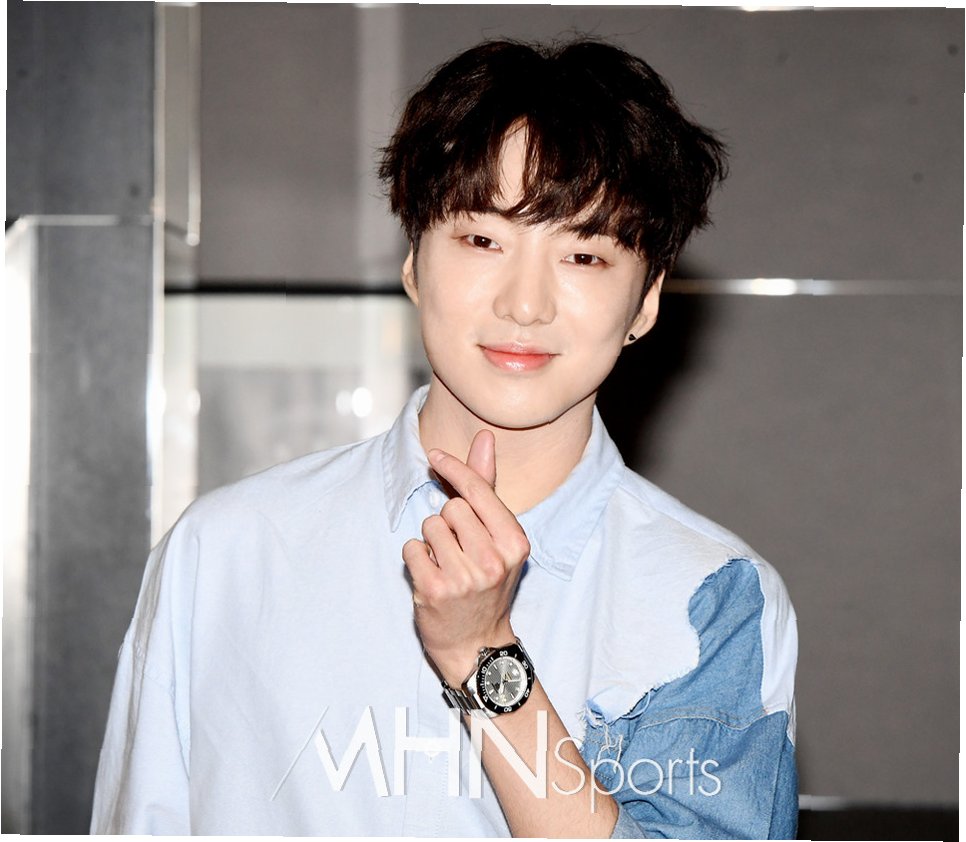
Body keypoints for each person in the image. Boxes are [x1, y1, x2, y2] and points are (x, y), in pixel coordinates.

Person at [91, 38, 798, 838]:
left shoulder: (708, 596)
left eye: (583, 254)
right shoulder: (227, 551)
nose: (525, 303)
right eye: (482, 240)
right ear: (413, 263)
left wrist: (486, 658)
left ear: (645, 302)